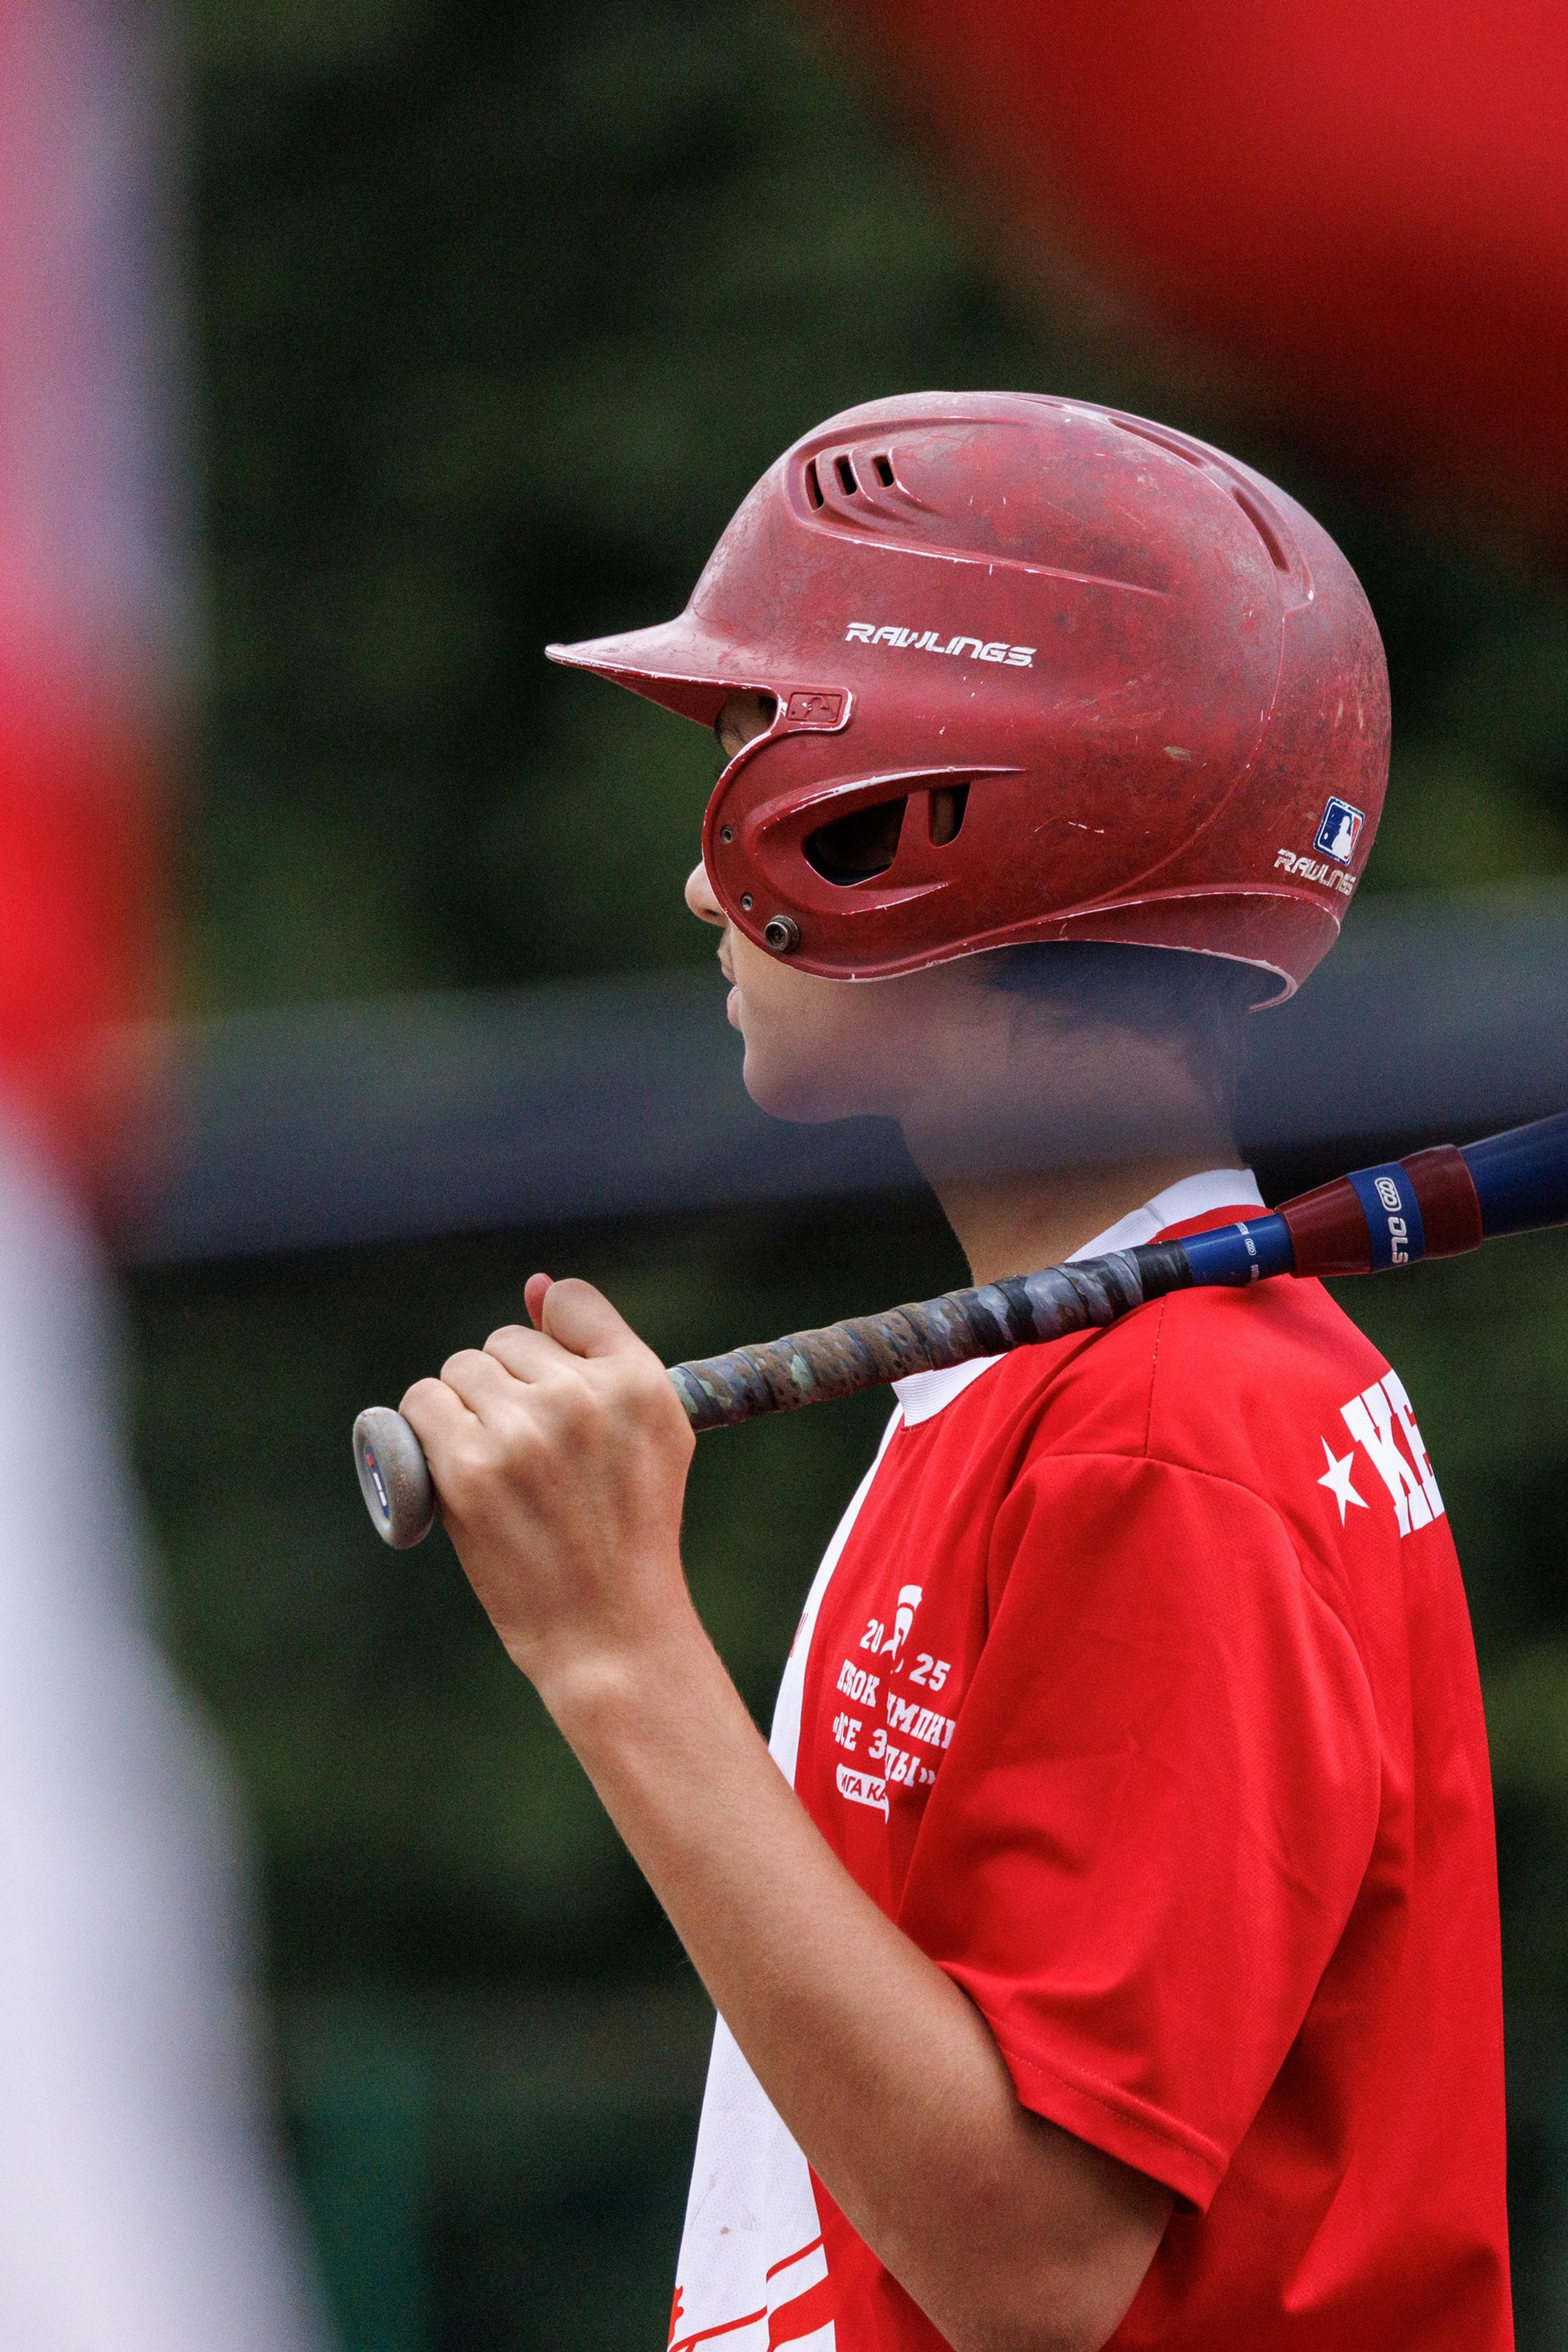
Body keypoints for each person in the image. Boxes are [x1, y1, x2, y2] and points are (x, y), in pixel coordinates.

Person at [399, 395, 1511, 2351]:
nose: (693, 886)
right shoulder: (1067, 1379)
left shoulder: (1187, 1432)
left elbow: (1030, 2267)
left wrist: (615, 1651)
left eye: (759, 751)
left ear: (913, 820)